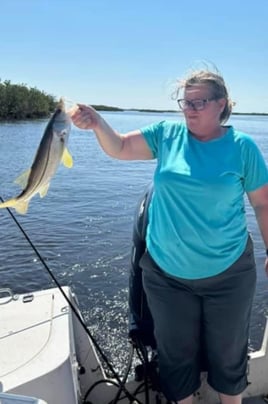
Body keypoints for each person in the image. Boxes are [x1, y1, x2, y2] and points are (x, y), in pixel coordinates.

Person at [71, 69, 268, 404]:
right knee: (175, 357)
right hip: (167, 276)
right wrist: (98, 124)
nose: (189, 109)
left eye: (199, 102)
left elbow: (263, 204)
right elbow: (118, 147)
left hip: (229, 274)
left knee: (228, 354)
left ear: (221, 104)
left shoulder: (242, 147)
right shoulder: (167, 134)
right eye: (185, 102)